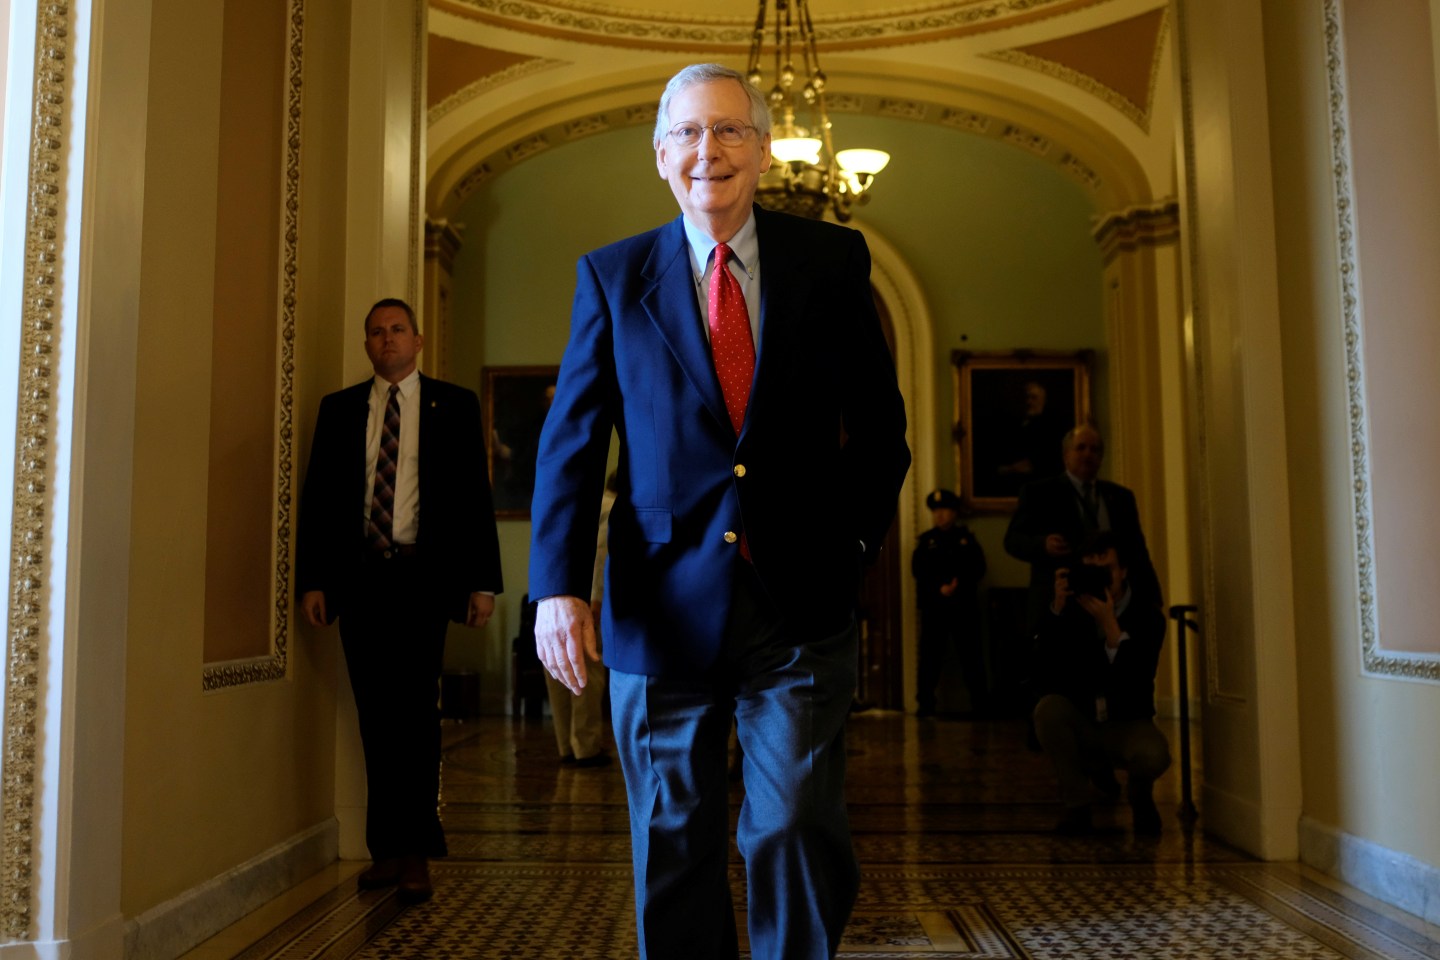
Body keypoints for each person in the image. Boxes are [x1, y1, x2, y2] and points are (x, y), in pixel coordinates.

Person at [527, 63, 910, 960]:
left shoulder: (830, 261)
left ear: (766, 151)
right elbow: (573, 445)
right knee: (673, 838)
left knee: (795, 828)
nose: (711, 151)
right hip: (658, 611)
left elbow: (882, 428)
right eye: (690, 134)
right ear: (661, 155)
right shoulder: (614, 277)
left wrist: (853, 538)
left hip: (798, 604)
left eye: (731, 131)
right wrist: (556, 587)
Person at [296, 297, 503, 904]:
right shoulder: (339, 411)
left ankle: (416, 853)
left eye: (397, 330)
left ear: (417, 341)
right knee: (375, 717)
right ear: (367, 346)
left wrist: (481, 583)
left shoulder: (455, 405)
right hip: (360, 582)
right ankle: (385, 850)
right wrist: (314, 579)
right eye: (376, 333)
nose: (387, 340)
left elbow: (473, 499)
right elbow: (317, 502)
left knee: (415, 716)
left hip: (423, 581)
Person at [1030, 531, 1171, 835]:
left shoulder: (1148, 615)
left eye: (1104, 569)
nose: (1097, 578)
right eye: (1088, 569)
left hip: (1128, 721)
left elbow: (1136, 678)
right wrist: (1056, 608)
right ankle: (1077, 806)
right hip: (1083, 717)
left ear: (1123, 571)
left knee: (1154, 755)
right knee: (1048, 710)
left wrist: (1110, 626)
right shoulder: (1069, 609)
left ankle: (1139, 795)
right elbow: (1043, 667)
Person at [1003, 424, 1160, 630]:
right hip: (1061, 602)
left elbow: (1137, 550)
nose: (1088, 454)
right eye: (1081, 447)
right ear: (1066, 454)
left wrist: (1152, 597)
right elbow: (1012, 540)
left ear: (1101, 457)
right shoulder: (1039, 493)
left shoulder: (1121, 497)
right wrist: (1043, 544)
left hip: (1113, 605)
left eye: (1094, 449)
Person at [542, 472, 616, 768]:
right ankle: (585, 747)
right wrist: (597, 597)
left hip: (556, 599)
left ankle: (566, 745)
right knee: (587, 672)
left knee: (559, 669)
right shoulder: (611, 509)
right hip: (587, 602)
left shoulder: (578, 502)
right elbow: (601, 554)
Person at [911, 489, 987, 718]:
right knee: (930, 658)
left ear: (954, 513)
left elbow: (978, 568)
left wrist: (958, 585)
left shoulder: (966, 539)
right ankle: (925, 703)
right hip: (935, 609)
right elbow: (919, 572)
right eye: (936, 511)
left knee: (971, 656)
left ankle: (981, 702)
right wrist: (939, 588)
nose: (940, 515)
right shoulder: (926, 542)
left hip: (963, 608)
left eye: (944, 510)